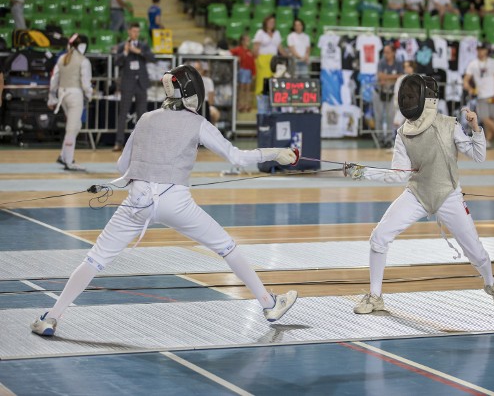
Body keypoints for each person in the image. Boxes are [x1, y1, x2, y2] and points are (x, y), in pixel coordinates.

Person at [30, 65, 299, 337]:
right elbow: (237, 157)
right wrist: (274, 153)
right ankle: (269, 304)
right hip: (176, 203)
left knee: (95, 259)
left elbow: (121, 164)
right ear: (194, 93)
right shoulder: (199, 123)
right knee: (226, 247)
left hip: (137, 201)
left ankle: (51, 318)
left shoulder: (146, 118)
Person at [344, 74, 494, 314]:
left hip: (448, 196)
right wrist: (361, 172)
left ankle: (491, 284)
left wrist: (476, 129)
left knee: (476, 252)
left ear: (426, 99)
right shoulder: (403, 133)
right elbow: (399, 175)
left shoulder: (448, 124)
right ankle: (375, 296)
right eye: (407, 95)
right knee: (379, 237)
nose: (409, 99)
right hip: (417, 194)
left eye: (413, 95)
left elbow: (478, 156)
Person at [47, 34, 93, 171]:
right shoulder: (84, 61)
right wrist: (90, 94)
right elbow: (85, 84)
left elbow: (54, 80)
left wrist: (52, 98)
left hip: (63, 95)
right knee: (72, 128)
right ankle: (69, 161)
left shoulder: (62, 58)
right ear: (83, 46)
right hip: (75, 96)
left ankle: (63, 155)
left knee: (76, 125)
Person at [113, 22, 156, 152]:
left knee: (142, 114)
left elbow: (152, 58)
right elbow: (116, 61)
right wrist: (126, 53)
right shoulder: (122, 46)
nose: (135, 34)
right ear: (129, 32)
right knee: (123, 113)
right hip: (127, 84)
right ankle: (119, 141)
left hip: (141, 84)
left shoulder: (143, 46)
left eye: (137, 31)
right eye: (133, 31)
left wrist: (137, 51)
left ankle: (141, 142)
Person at [463, 42, 494, 147]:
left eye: (482, 49)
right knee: (484, 117)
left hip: (493, 94)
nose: (480, 51)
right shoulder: (473, 64)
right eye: (479, 49)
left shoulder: (493, 62)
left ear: (487, 50)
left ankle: (489, 140)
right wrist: (470, 89)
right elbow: (466, 80)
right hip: (482, 95)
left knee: (491, 118)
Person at [375, 44, 403, 148]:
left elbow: (400, 76)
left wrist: (387, 77)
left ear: (393, 53)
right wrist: (393, 78)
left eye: (388, 52)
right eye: (384, 52)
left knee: (390, 116)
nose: (385, 54)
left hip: (391, 93)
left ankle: (388, 139)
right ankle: (380, 138)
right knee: (379, 116)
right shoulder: (381, 62)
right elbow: (380, 76)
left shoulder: (398, 63)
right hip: (379, 92)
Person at [252, 15, 288, 96]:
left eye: (273, 22)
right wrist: (257, 60)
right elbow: (255, 48)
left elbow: (280, 48)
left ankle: (272, 99)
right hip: (263, 59)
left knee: (273, 79)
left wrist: (287, 56)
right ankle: (260, 100)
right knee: (262, 81)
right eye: (270, 22)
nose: (271, 24)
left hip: (274, 60)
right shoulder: (260, 33)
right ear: (265, 23)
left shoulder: (277, 33)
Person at [230, 34, 256, 113]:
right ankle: (240, 104)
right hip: (242, 70)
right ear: (242, 41)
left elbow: (252, 63)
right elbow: (229, 52)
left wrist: (254, 73)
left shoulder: (249, 51)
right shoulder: (238, 50)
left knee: (248, 89)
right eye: (246, 40)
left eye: (249, 40)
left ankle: (247, 104)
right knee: (241, 88)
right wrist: (236, 58)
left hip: (248, 71)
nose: (248, 42)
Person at [392, 60, 416, 130]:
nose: (406, 68)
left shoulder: (418, 79)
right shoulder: (400, 79)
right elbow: (396, 92)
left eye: (408, 66)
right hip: (402, 106)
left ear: (413, 67)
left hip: (415, 108)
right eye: (405, 67)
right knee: (398, 126)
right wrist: (397, 104)